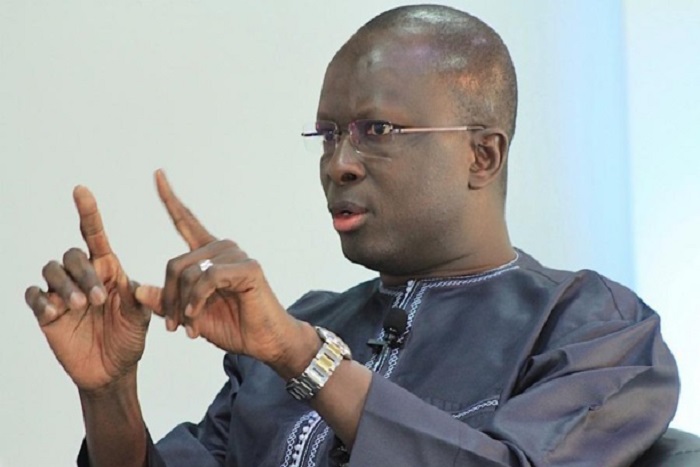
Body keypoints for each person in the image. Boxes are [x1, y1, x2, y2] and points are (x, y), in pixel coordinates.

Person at [25, 4, 679, 466]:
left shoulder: (593, 326)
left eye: (377, 131)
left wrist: (309, 361)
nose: (339, 163)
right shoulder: (300, 326)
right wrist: (108, 391)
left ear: (482, 155)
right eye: (329, 134)